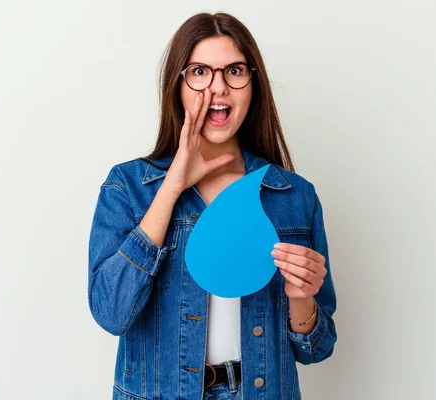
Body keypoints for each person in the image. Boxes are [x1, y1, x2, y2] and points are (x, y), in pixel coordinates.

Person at [88, 12, 337, 400]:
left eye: (234, 70)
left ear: (252, 85)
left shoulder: (294, 196)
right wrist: (171, 188)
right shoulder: (129, 187)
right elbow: (111, 313)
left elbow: (317, 348)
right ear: (178, 84)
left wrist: (301, 298)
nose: (218, 88)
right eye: (200, 71)